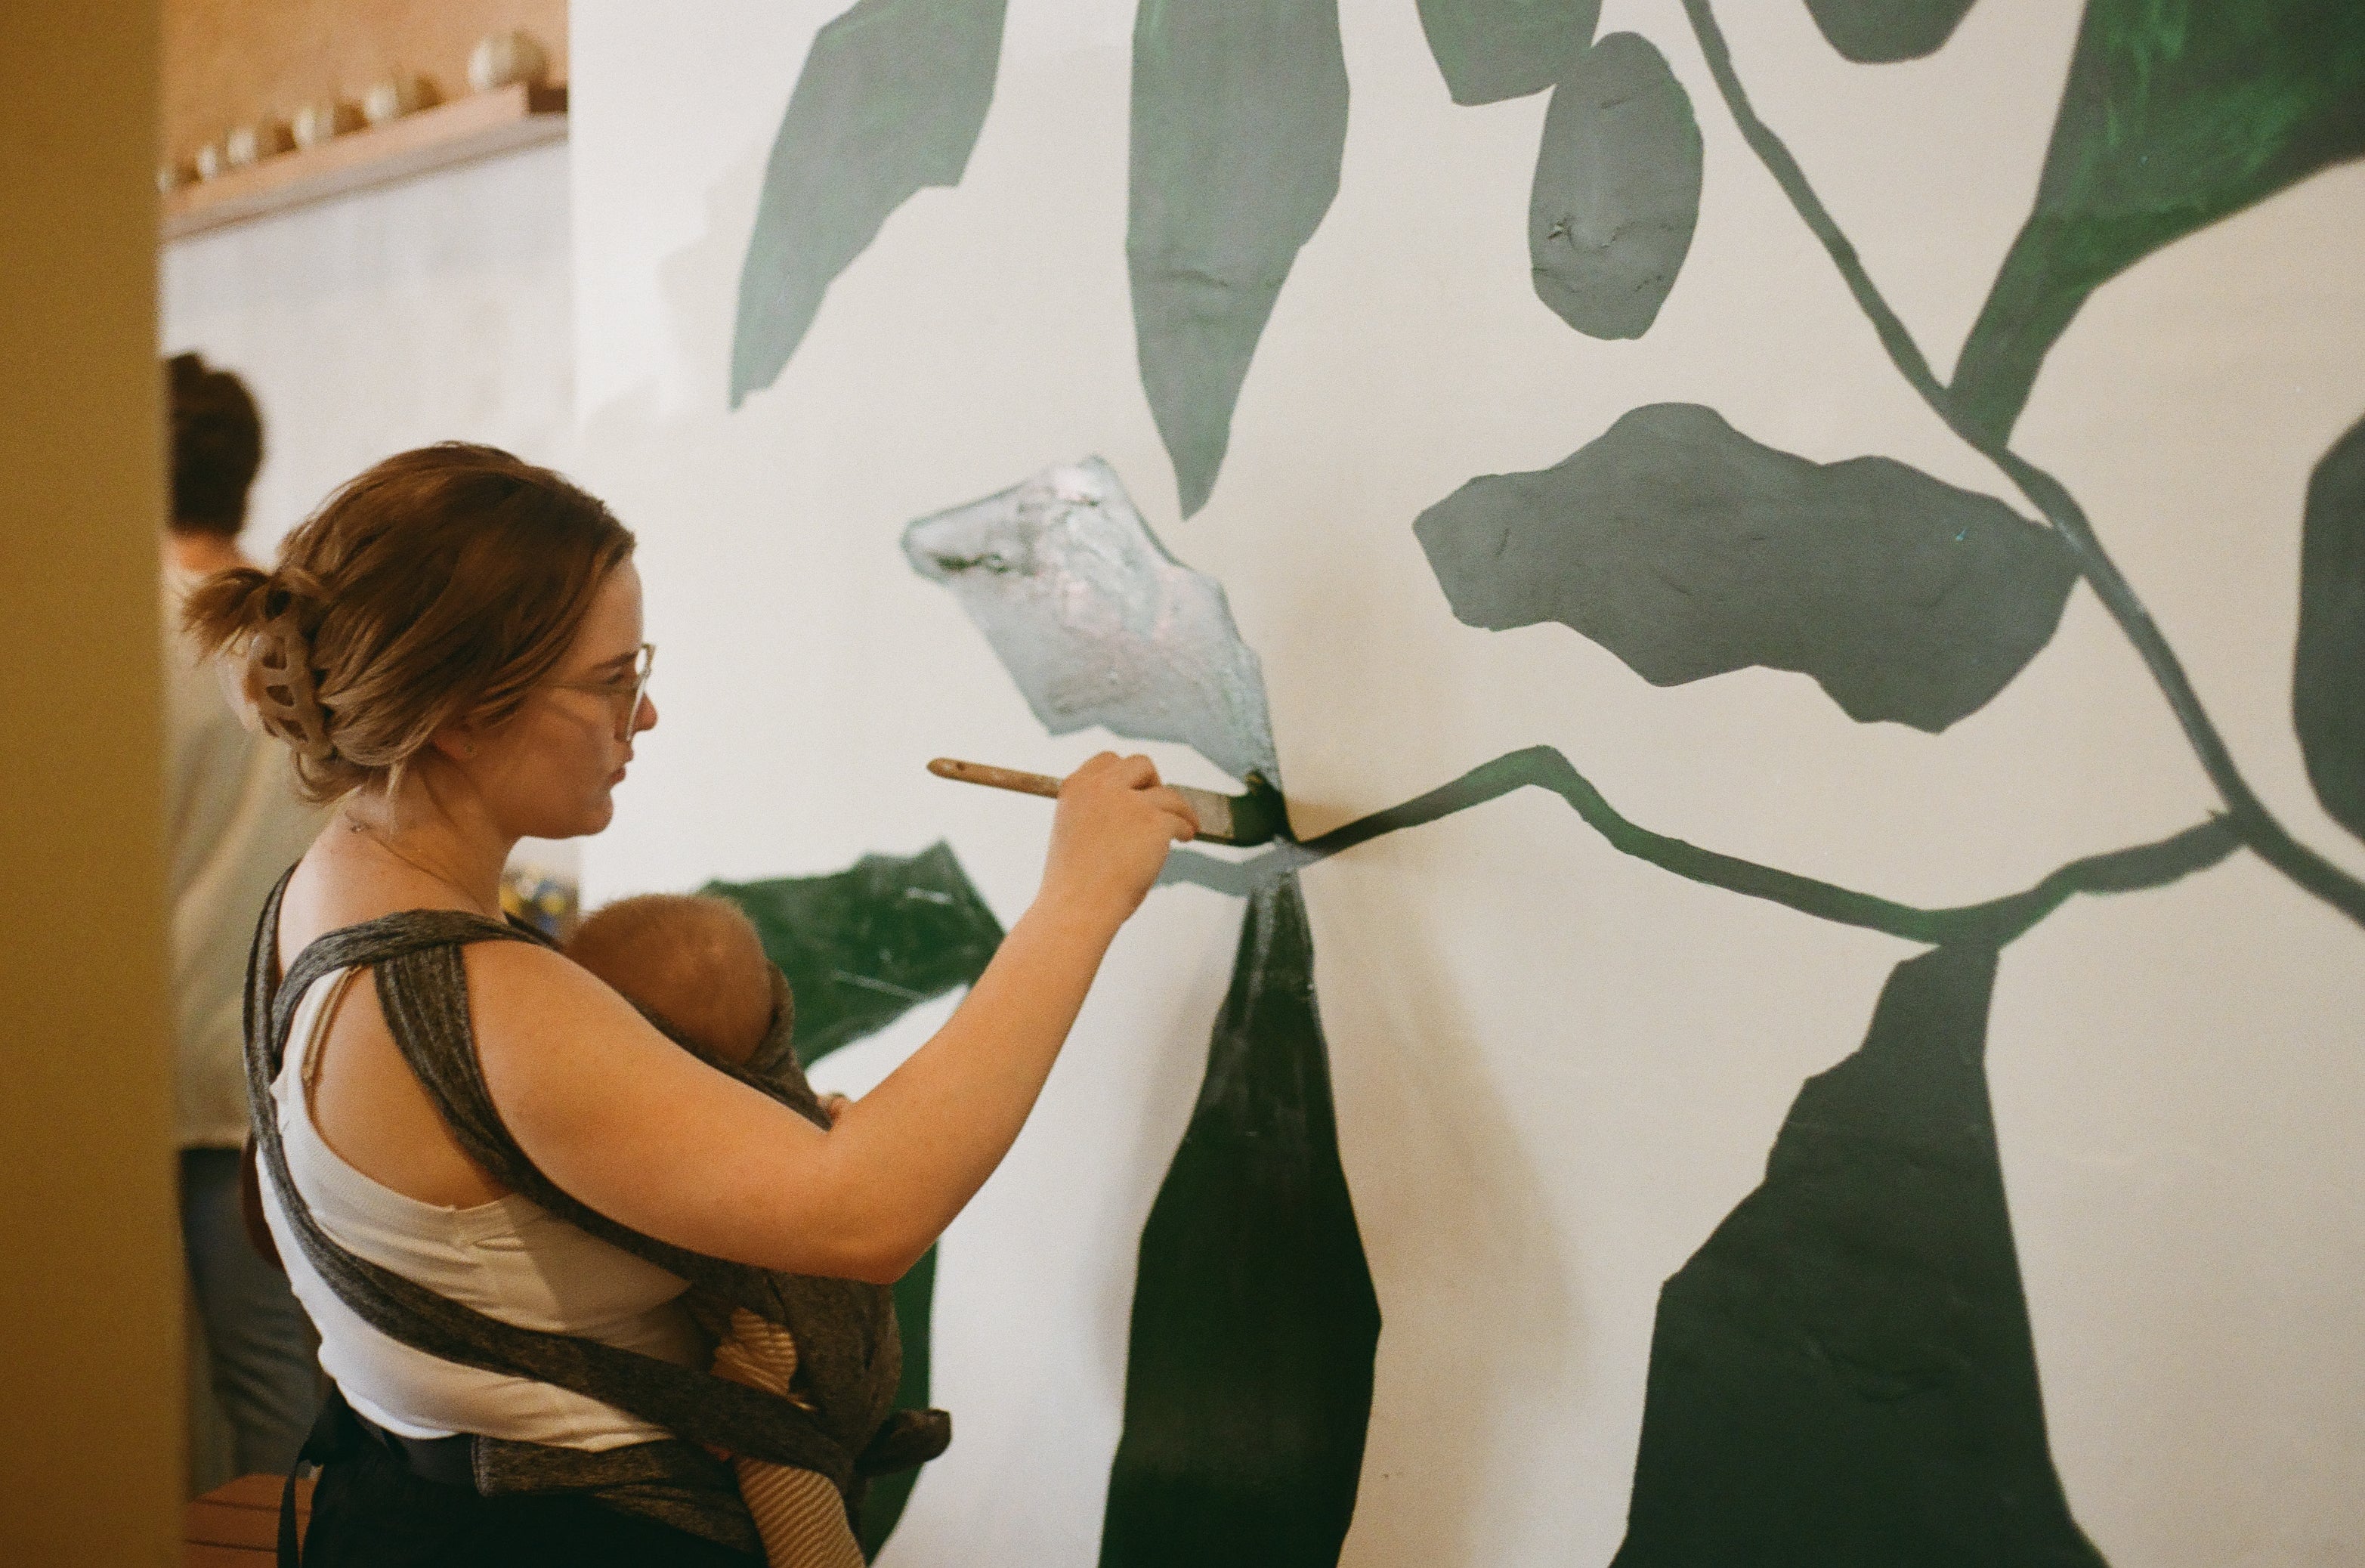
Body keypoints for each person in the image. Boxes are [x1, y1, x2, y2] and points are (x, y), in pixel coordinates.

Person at [181, 442, 1193, 1566]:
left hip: (409, 1507)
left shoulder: (323, 890)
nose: (646, 713)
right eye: (611, 681)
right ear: (466, 713)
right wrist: (1080, 895)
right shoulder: (475, 993)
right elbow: (866, 1213)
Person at [564, 892, 864, 1568]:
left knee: (783, 1476)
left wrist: (742, 1388)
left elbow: (774, 1287)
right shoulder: (751, 1080)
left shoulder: (706, 1138)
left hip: (771, 1356)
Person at [162, 351, 329, 1492]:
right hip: (277, 1050)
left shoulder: (98, 636)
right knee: (277, 1366)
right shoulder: (306, 629)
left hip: (132, 1059)